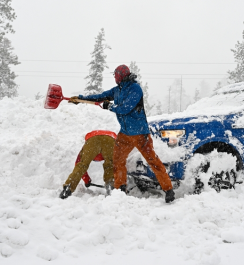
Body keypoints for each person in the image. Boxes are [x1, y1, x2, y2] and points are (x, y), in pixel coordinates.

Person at [71, 64, 175, 203]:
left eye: (115, 75)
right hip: (125, 134)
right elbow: (100, 96)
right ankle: (121, 189)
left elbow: (126, 108)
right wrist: (80, 98)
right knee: (117, 160)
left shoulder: (135, 89)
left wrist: (110, 106)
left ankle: (168, 189)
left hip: (140, 133)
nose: (114, 77)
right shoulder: (117, 90)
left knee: (152, 161)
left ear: (121, 75)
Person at [60, 130, 116, 199]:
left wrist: (87, 180)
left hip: (92, 140)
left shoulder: (87, 147)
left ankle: (68, 187)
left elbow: (78, 163)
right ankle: (110, 184)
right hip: (110, 139)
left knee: (82, 165)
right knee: (110, 165)